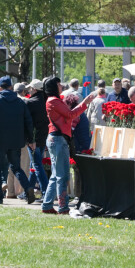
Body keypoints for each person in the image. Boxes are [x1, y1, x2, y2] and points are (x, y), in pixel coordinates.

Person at [40, 76, 94, 215]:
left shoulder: (54, 100)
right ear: (53, 86)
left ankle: (47, 205)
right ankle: (63, 207)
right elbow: (70, 115)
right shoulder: (53, 101)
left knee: (56, 175)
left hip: (56, 139)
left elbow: (68, 115)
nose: (61, 85)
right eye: (58, 84)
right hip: (58, 139)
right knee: (62, 176)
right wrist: (84, 103)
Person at [0, 76, 36, 205]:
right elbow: (28, 122)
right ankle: (28, 187)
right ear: (11, 87)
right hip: (16, 141)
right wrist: (30, 139)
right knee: (16, 167)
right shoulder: (20, 102)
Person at [25, 79, 49, 196]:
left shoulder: (30, 102)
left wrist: (30, 139)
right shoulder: (46, 101)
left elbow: (29, 123)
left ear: (34, 89)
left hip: (33, 139)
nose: (29, 90)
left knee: (37, 165)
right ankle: (28, 192)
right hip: (44, 136)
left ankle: (46, 192)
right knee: (34, 166)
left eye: (30, 88)